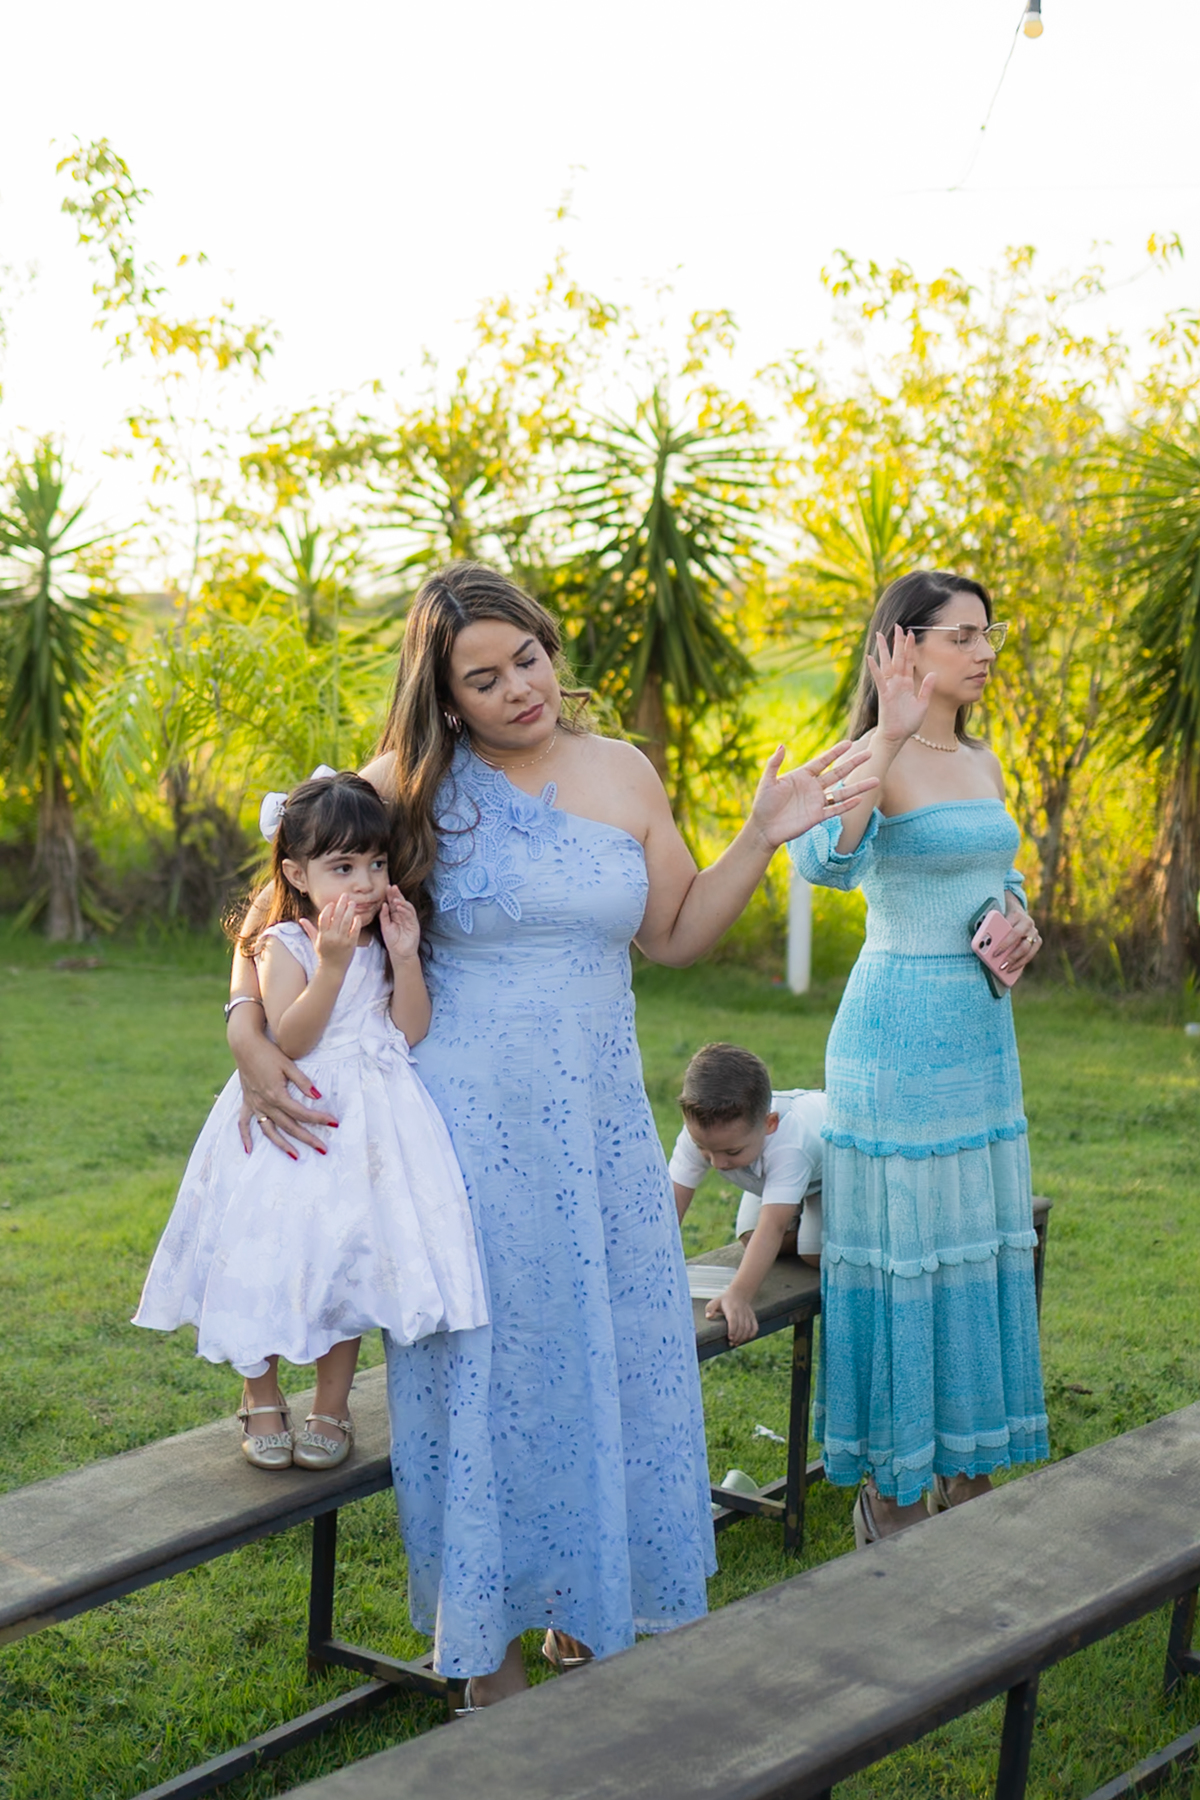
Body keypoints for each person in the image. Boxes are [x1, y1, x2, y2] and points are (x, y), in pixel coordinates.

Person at [225, 562, 876, 1706]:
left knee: (603, 1365)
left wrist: (762, 837)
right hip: (458, 1139)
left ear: (548, 646)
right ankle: (489, 1663)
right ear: (444, 695)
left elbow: (674, 934)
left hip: (600, 1131)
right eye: (482, 679)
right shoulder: (401, 786)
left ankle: (590, 1612)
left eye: (527, 658)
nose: (518, 689)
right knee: (482, 1383)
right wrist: (246, 1030)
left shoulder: (622, 770)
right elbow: (274, 907)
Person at [789, 569, 1048, 1550]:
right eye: (962, 636)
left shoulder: (980, 757)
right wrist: (887, 737)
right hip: (893, 1040)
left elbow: (998, 873)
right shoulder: (874, 755)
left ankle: (966, 1469)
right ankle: (891, 1494)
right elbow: (826, 862)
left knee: (974, 1244)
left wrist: (1019, 918)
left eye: (988, 633)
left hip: (980, 1036)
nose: (983, 652)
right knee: (905, 1259)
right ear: (903, 647)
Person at [134, 771, 489, 1472]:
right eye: (343, 867)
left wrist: (406, 958)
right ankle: (260, 1393)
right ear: (297, 873)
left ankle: (332, 1403)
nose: (366, 882)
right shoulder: (286, 942)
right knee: (269, 1253)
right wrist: (329, 966)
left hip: (369, 1124)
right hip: (295, 1116)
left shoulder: (381, 936)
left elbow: (409, 1029)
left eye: (377, 864)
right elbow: (291, 1040)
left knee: (346, 1256)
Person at [669, 1042, 826, 1347]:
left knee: (811, 1253)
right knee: (750, 1238)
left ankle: (823, 1222)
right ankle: (796, 1210)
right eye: (704, 1149)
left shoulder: (790, 1143)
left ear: (769, 1124)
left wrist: (739, 1295)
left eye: (732, 1152)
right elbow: (670, 1205)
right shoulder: (704, 1133)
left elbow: (774, 1226)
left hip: (828, 1176)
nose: (717, 1163)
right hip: (771, 1176)